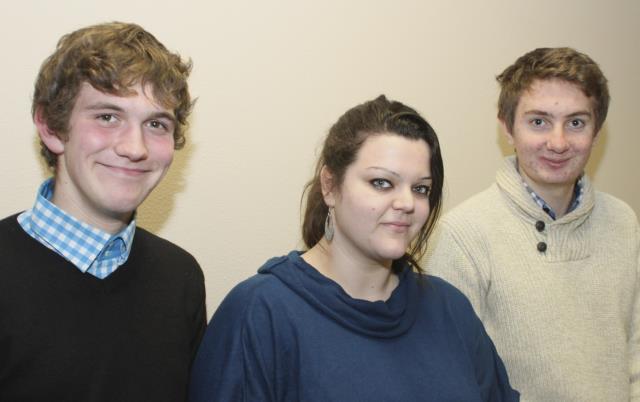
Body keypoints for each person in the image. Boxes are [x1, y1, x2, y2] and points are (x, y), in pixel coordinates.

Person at [189, 95, 519, 401]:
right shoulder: (261, 312)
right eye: (382, 183)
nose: (406, 203)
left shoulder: (450, 309)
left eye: (420, 189)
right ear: (330, 186)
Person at [0, 22, 206, 401]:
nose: (135, 147)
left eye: (157, 124)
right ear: (50, 127)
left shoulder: (181, 278)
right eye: (107, 116)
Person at [427, 47, 640, 401]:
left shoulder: (623, 222)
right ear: (507, 128)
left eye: (576, 123)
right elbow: (450, 377)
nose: (558, 143)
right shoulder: (463, 235)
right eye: (538, 121)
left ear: (596, 131)